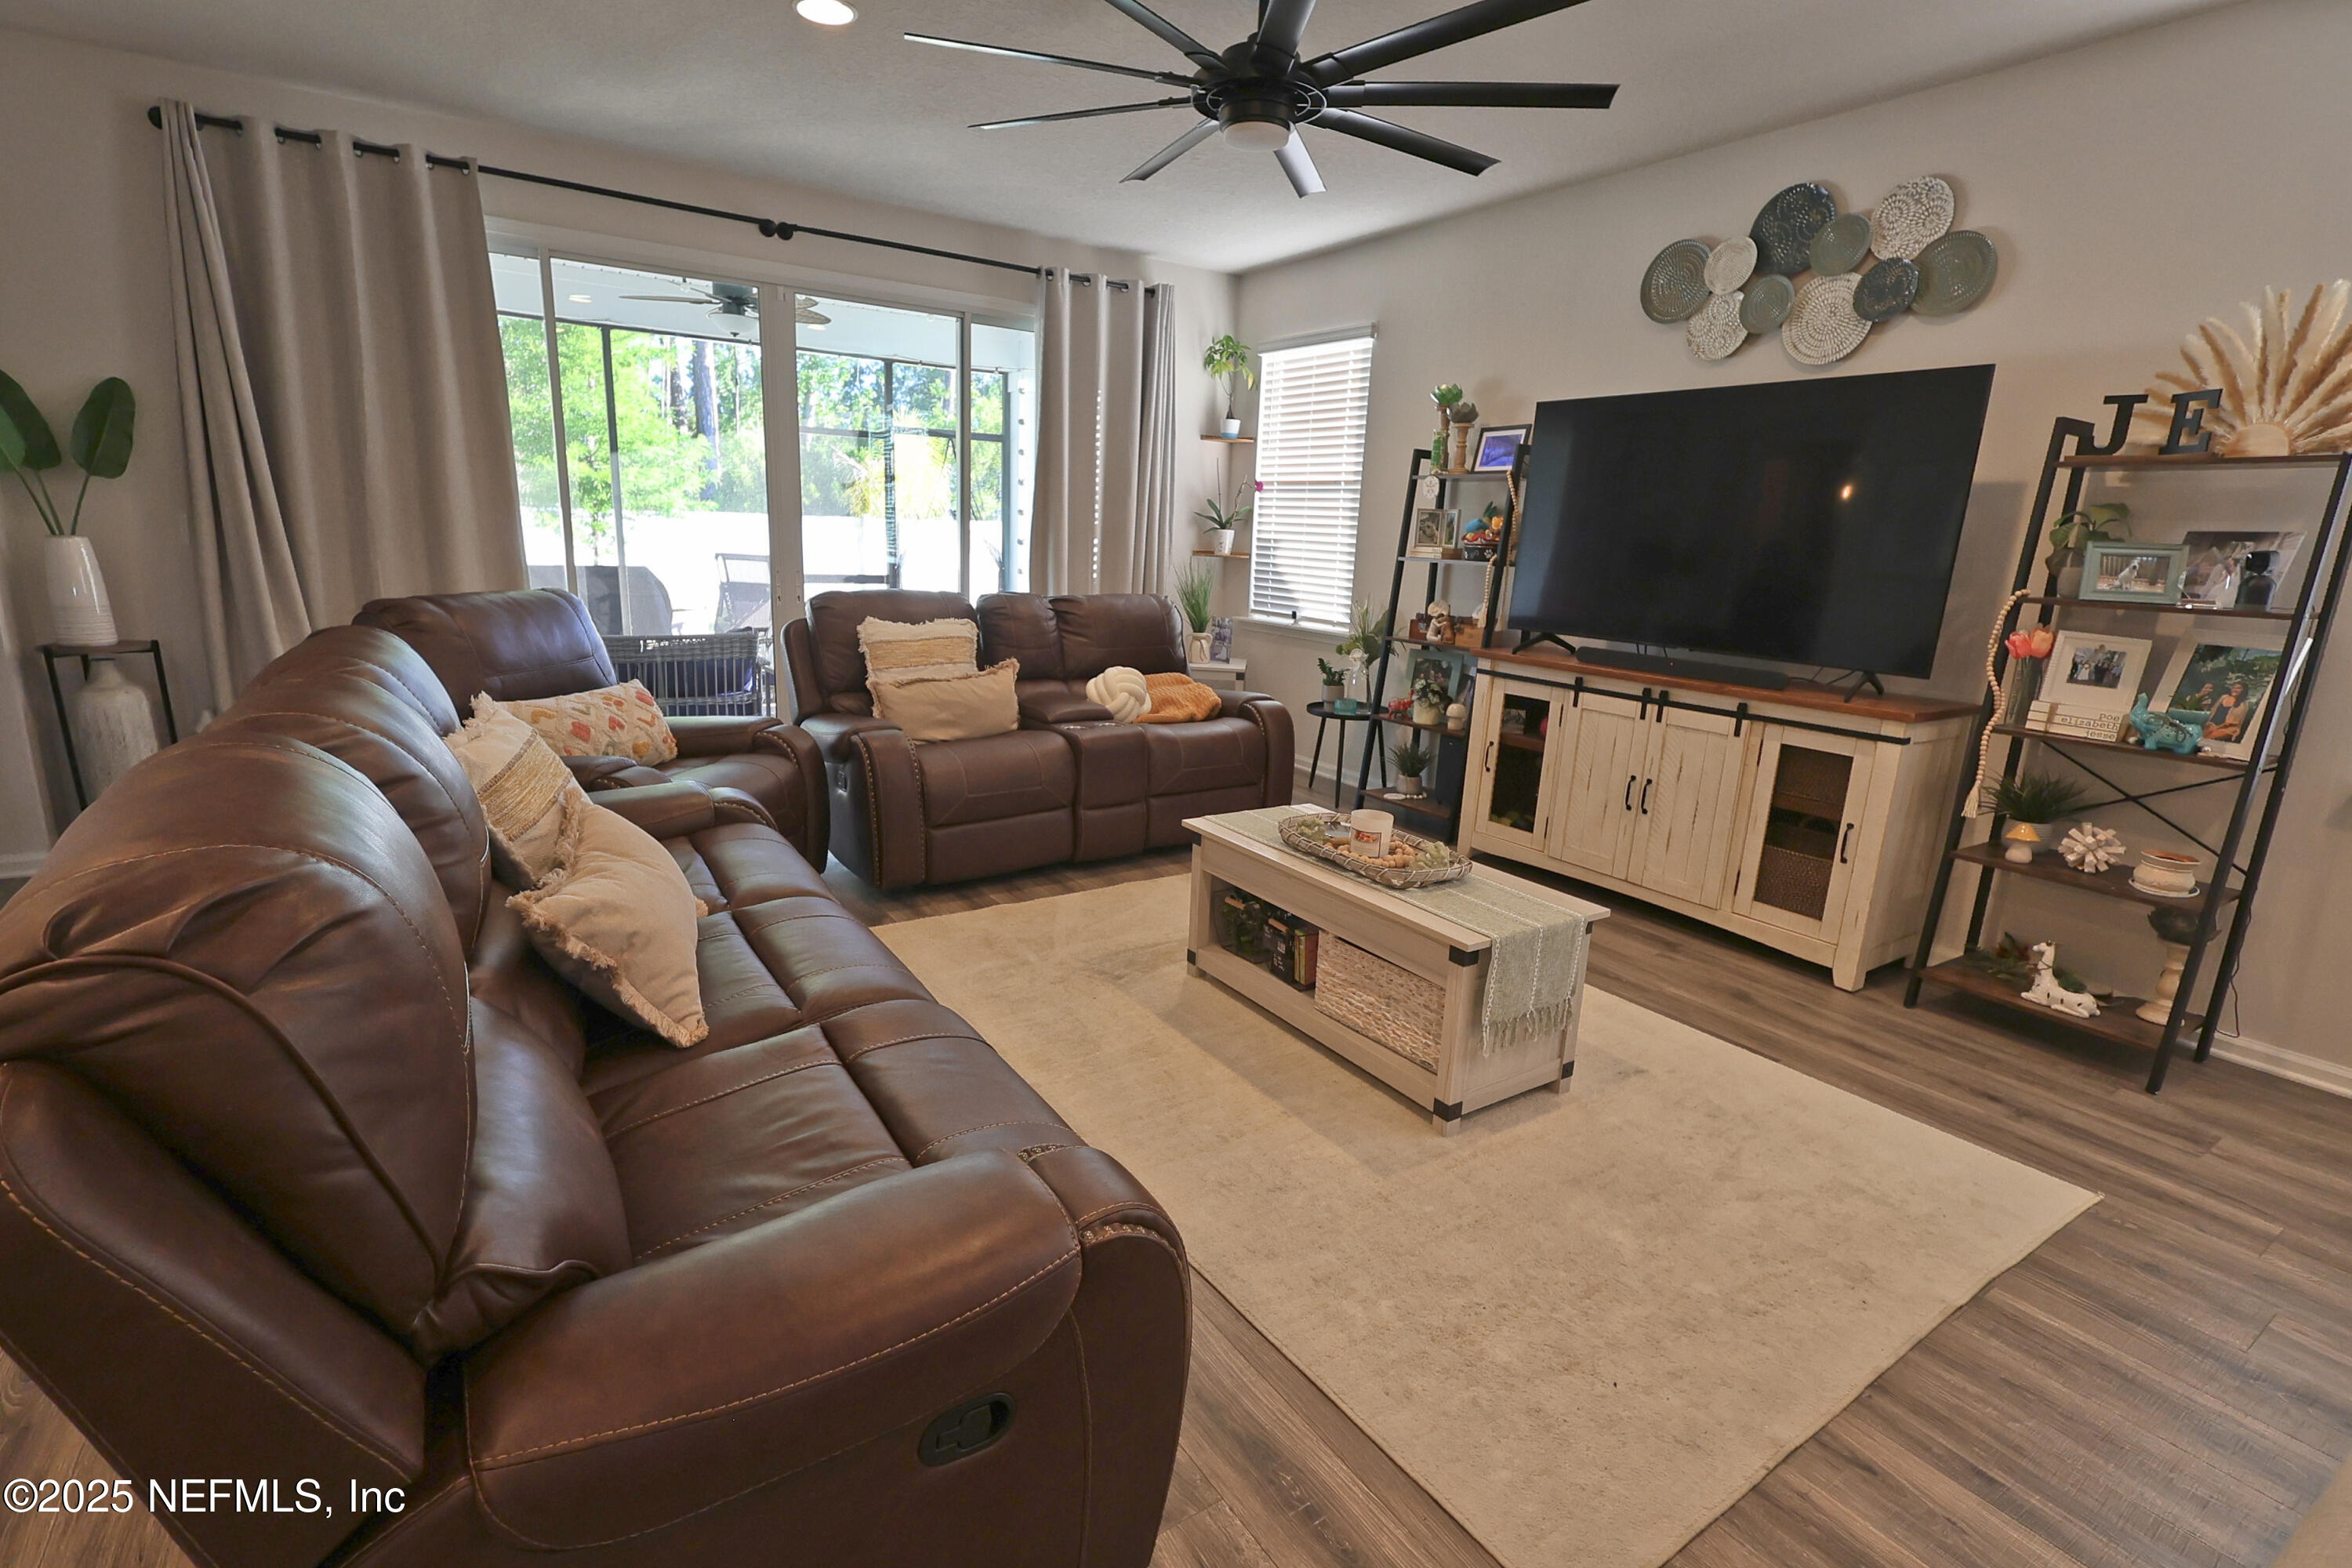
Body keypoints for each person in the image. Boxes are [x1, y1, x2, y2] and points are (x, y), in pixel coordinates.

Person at [2205, 677, 2255, 742]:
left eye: (2238, 688)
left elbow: (2234, 723)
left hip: (2227, 728)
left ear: (2243, 690)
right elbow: (2212, 712)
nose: (2235, 690)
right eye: (2233, 687)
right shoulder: (2223, 697)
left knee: (2209, 737)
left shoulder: (2243, 705)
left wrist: (2217, 727)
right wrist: (2210, 724)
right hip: (2211, 725)